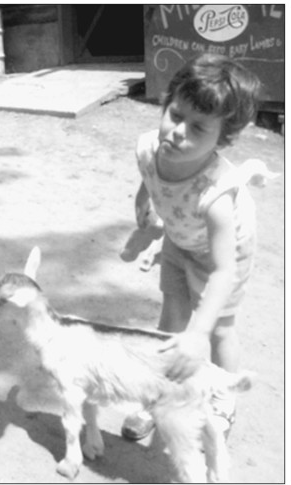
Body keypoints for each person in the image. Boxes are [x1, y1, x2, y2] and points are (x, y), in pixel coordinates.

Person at [121, 54, 265, 441]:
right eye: (175, 113)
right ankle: (158, 394)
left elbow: (223, 270)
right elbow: (150, 181)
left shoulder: (217, 193)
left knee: (219, 329)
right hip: (178, 238)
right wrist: (145, 210)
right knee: (170, 319)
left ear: (224, 138)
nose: (178, 131)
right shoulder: (149, 148)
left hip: (223, 254)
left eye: (199, 127)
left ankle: (222, 400)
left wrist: (198, 332)